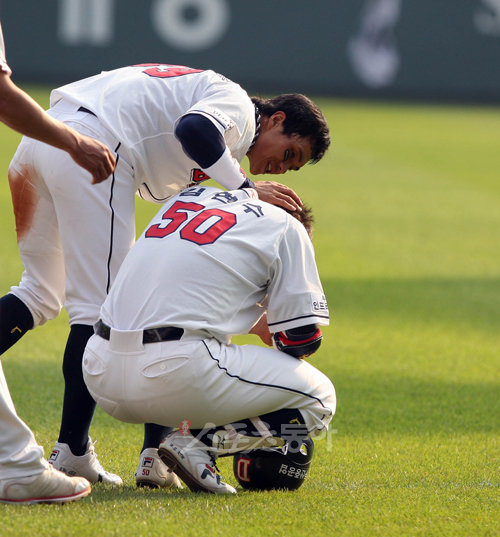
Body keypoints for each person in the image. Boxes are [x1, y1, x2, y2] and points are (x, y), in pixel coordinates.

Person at [0, 62, 331, 488]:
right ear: (276, 119)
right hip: (96, 147)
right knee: (104, 310)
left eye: (292, 167)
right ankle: (73, 452)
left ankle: (150, 457)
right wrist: (245, 189)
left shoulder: (219, 146)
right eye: (289, 153)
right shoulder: (239, 109)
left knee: (39, 293)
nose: (280, 169)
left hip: (43, 139)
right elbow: (193, 129)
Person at [82, 185, 336, 494]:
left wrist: (256, 322)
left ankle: (155, 458)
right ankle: (198, 445)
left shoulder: (189, 200)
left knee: (210, 350)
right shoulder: (288, 228)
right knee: (320, 398)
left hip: (98, 372)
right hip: (174, 372)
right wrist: (279, 324)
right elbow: (302, 341)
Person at [0, 19, 115, 504]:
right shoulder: (221, 104)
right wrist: (71, 142)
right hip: (74, 143)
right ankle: (50, 455)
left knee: (41, 293)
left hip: (35, 150)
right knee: (96, 304)